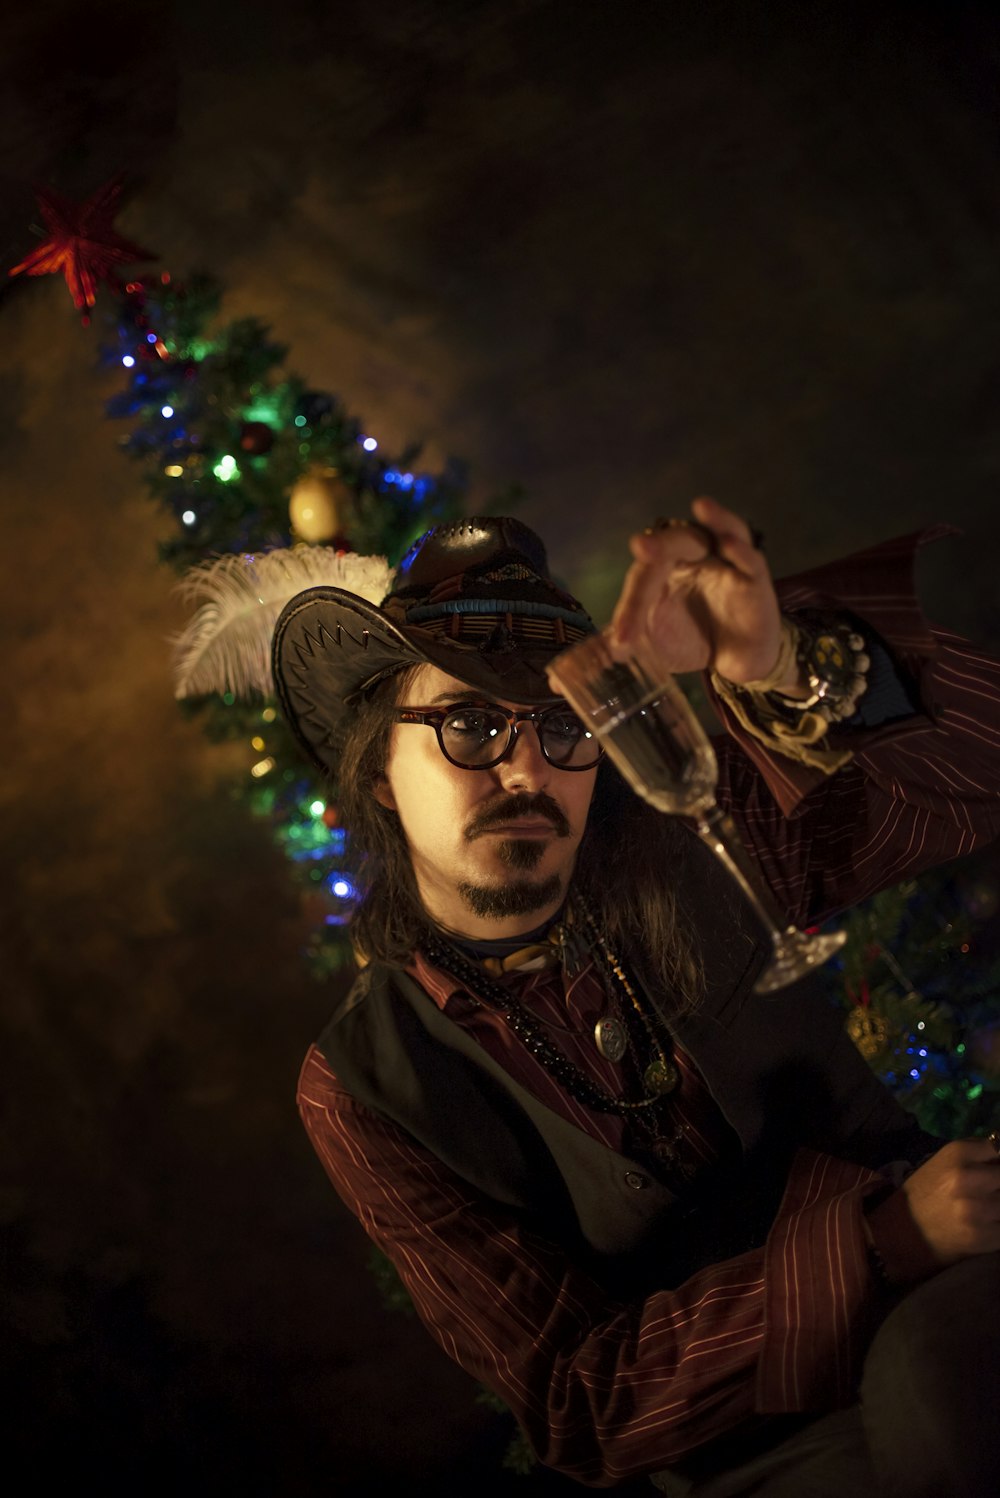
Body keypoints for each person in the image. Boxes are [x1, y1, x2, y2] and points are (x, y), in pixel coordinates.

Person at [271, 498, 1000, 1496]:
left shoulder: (699, 843)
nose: (528, 769)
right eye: (471, 723)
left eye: (563, 726)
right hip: (755, 1453)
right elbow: (578, 1400)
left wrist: (781, 658)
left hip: (952, 1319)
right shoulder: (359, 1088)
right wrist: (882, 1237)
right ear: (380, 771)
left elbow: (976, 774)